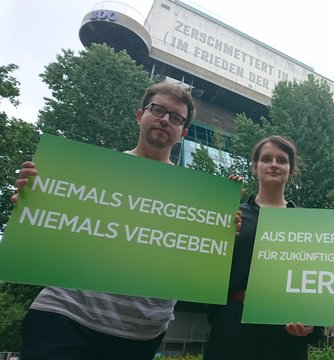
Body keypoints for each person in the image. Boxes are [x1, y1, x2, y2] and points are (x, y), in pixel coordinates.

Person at [11, 82, 237, 360]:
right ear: (140, 115)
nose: (165, 120)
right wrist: (33, 197)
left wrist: (223, 234)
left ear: (183, 132)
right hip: (65, 315)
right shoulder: (88, 172)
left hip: (140, 333)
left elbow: (195, 265)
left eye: (175, 117)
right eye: (158, 110)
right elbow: (50, 232)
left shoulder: (198, 198)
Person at [204, 135, 323, 360]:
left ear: (290, 169)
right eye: (267, 159)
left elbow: (316, 278)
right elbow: (206, 268)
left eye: (282, 160)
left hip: (285, 329)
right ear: (254, 166)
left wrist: (313, 326)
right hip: (233, 327)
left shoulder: (307, 223)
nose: (274, 164)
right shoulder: (232, 213)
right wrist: (216, 219)